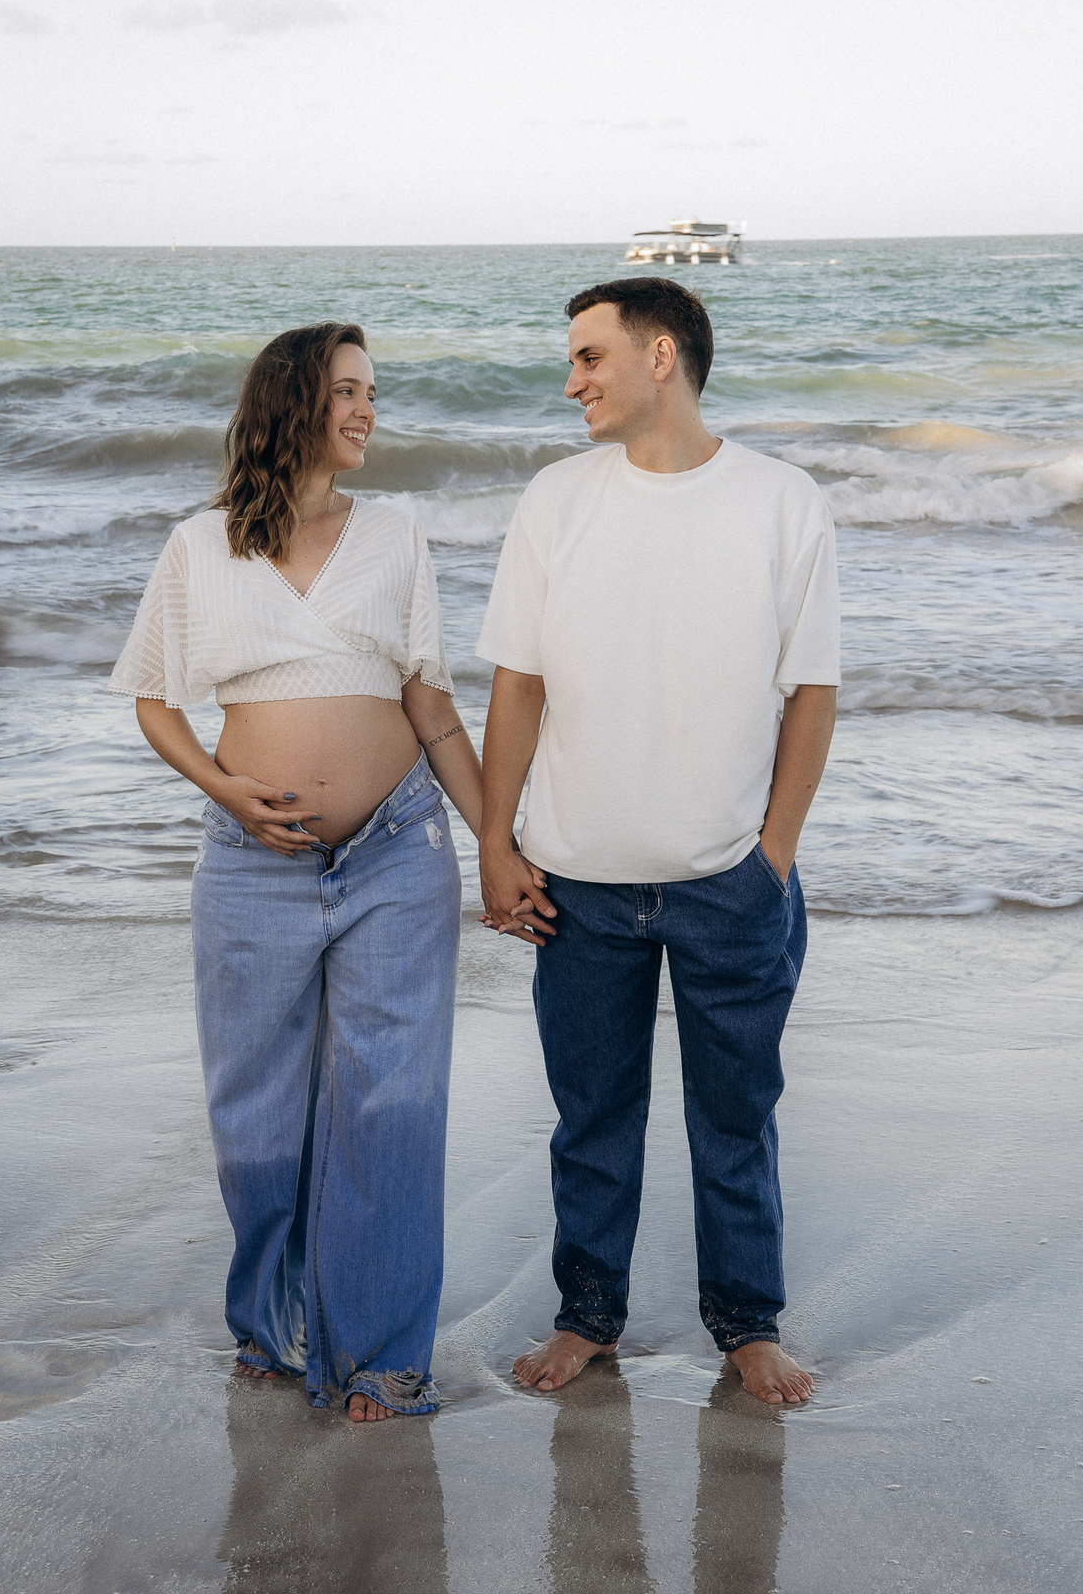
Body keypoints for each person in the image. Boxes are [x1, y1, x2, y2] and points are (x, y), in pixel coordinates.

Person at [109, 322, 482, 1422]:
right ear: (292, 404)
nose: (368, 410)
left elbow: (431, 705)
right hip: (251, 864)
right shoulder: (200, 546)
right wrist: (224, 789)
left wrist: (500, 842)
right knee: (258, 1123)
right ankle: (271, 1331)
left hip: (397, 850)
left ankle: (383, 1356)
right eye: (348, 391)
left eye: (372, 392)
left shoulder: (395, 534)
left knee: (393, 1108)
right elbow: (154, 699)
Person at [476, 279, 839, 1406]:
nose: (571, 381)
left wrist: (772, 858)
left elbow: (811, 693)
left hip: (730, 879)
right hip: (576, 882)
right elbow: (518, 686)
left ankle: (748, 1325)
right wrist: (496, 841)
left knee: (736, 1119)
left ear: (661, 355)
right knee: (593, 1121)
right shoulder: (555, 499)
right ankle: (587, 1317)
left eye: (590, 357)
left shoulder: (781, 501)